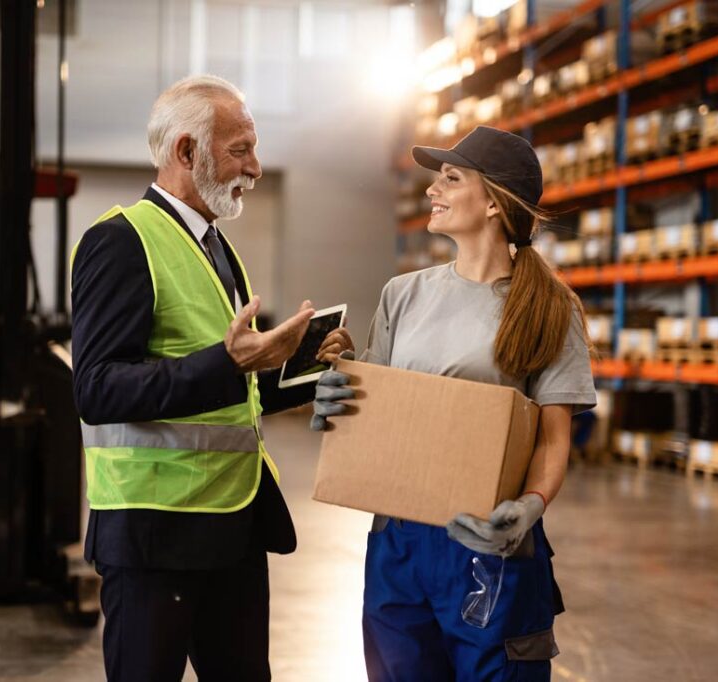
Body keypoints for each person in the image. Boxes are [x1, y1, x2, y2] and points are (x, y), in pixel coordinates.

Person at [70, 75, 354, 681]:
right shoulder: (120, 242)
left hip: (232, 528)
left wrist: (305, 372)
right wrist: (228, 364)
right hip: (155, 537)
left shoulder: (217, 247)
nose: (255, 166)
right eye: (240, 149)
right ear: (185, 151)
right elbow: (96, 389)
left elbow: (235, 388)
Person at [312, 126, 596, 681]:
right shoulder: (404, 294)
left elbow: (553, 438)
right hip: (397, 542)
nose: (431, 190)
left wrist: (531, 506)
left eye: (450, 177)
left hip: (488, 540)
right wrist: (335, 398)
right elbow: (379, 416)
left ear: (492, 202)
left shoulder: (547, 307)